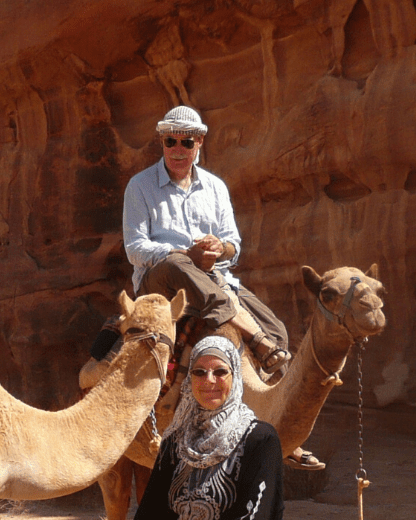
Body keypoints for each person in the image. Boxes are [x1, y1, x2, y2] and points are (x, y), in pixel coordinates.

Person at [120, 105, 290, 371]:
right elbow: (135, 249)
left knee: (277, 330)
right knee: (177, 265)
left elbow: (234, 246)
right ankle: (253, 336)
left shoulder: (215, 187)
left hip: (214, 277)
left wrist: (219, 248)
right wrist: (187, 255)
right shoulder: (140, 185)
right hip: (161, 281)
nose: (177, 149)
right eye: (170, 141)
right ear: (162, 142)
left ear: (199, 142)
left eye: (186, 142)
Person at [134, 336, 284, 520]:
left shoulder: (260, 439)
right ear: (190, 379)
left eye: (220, 372)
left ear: (235, 376)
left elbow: (258, 512)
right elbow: (150, 510)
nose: (209, 380)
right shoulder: (175, 441)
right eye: (199, 372)